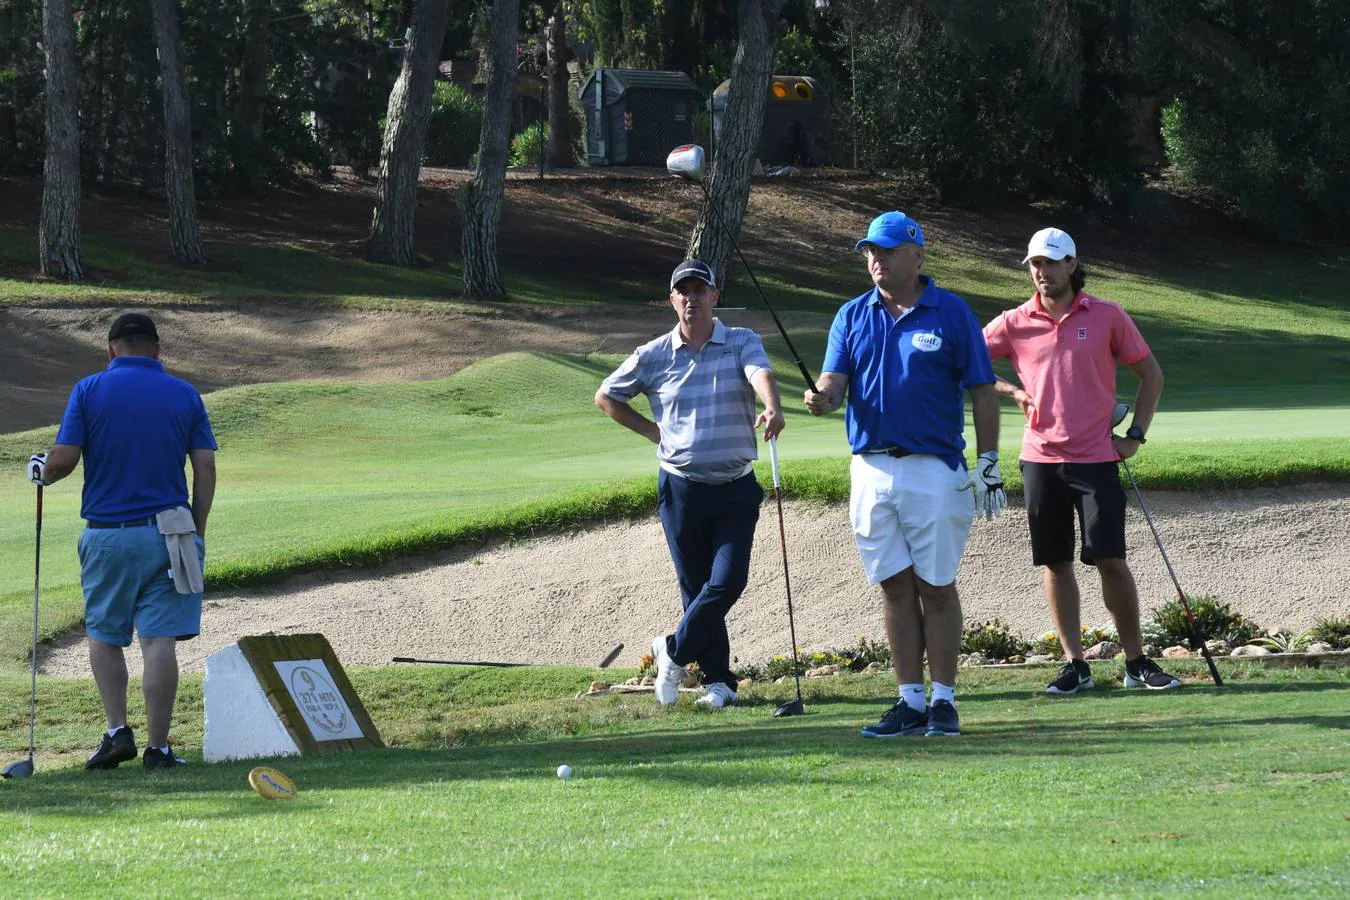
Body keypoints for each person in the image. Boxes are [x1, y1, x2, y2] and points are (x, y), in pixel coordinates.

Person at [805, 211, 1004, 738]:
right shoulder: (851, 314)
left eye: (886, 251)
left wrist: (988, 461)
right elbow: (834, 379)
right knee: (894, 586)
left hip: (934, 470)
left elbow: (982, 391)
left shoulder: (951, 313)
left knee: (935, 586)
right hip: (870, 468)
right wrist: (822, 398)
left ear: (917, 254)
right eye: (870, 252)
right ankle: (909, 700)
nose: (876, 260)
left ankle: (943, 700)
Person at [983, 227, 1180, 695]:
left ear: (1072, 264)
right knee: (1055, 562)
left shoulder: (1107, 315)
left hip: (1096, 458)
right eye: (1035, 264)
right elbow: (964, 362)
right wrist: (1009, 390)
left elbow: (1150, 374)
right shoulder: (1014, 321)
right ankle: (1076, 665)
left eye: (1051, 263)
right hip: (1040, 459)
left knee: (1110, 558)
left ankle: (1135, 663)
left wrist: (1135, 436)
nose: (1042, 272)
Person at [27, 312, 217, 769]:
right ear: (157, 349)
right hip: (172, 533)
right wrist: (197, 531)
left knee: (105, 635)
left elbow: (64, 460)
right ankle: (159, 748)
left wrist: (41, 471)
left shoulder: (90, 389)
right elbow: (205, 467)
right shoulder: (184, 393)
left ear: (110, 349)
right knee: (159, 641)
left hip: (108, 535)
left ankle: (117, 733)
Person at [595, 259, 784, 709]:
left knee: (728, 581)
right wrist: (652, 433)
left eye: (701, 290)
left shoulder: (741, 341)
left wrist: (773, 406)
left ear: (715, 297)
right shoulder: (654, 353)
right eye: (684, 291)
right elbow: (606, 396)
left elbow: (760, 374)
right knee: (697, 587)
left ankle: (671, 651)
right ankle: (719, 683)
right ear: (672, 300)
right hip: (681, 489)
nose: (692, 298)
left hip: (736, 487)